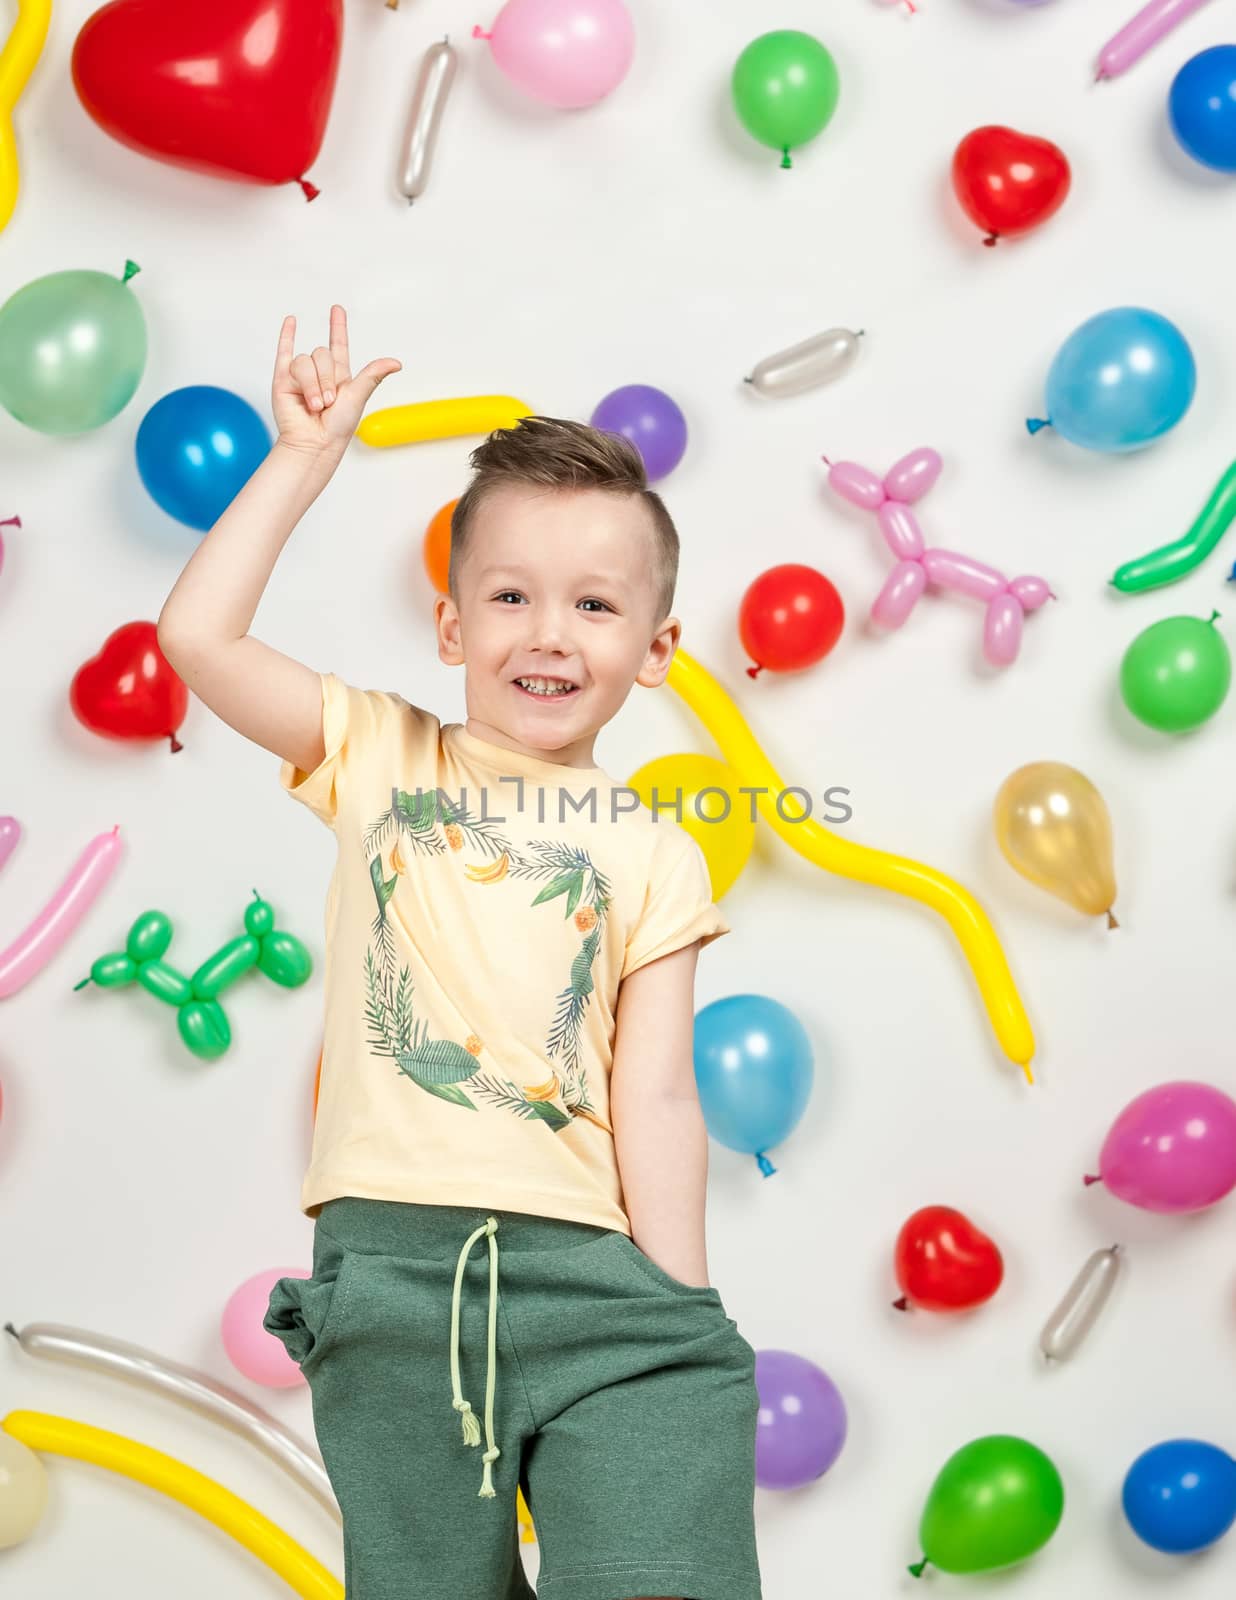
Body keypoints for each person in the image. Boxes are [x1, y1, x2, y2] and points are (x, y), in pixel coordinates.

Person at [157, 307, 762, 1600]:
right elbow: (199, 642)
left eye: (595, 606)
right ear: (450, 627)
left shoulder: (657, 851)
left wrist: (678, 1307)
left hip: (603, 1284)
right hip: (394, 1287)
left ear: (655, 652)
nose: (549, 632)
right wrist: (303, 462)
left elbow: (656, 1091)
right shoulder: (379, 754)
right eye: (510, 596)